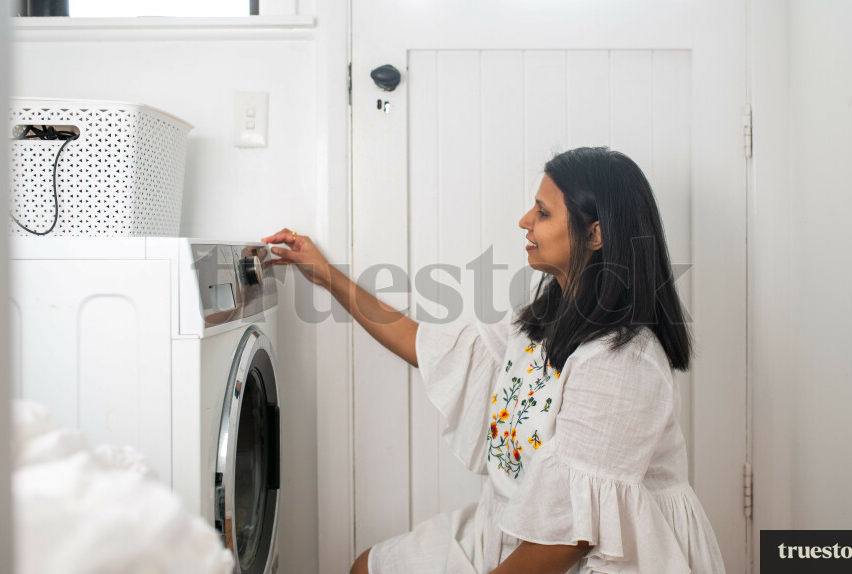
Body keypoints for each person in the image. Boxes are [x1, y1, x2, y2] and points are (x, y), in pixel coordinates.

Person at [262, 147, 726, 574]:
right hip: (513, 524)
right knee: (369, 567)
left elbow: (573, 539)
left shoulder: (623, 362)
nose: (525, 220)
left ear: (596, 233)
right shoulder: (545, 320)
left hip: (600, 554)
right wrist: (325, 275)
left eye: (543, 212)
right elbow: (422, 341)